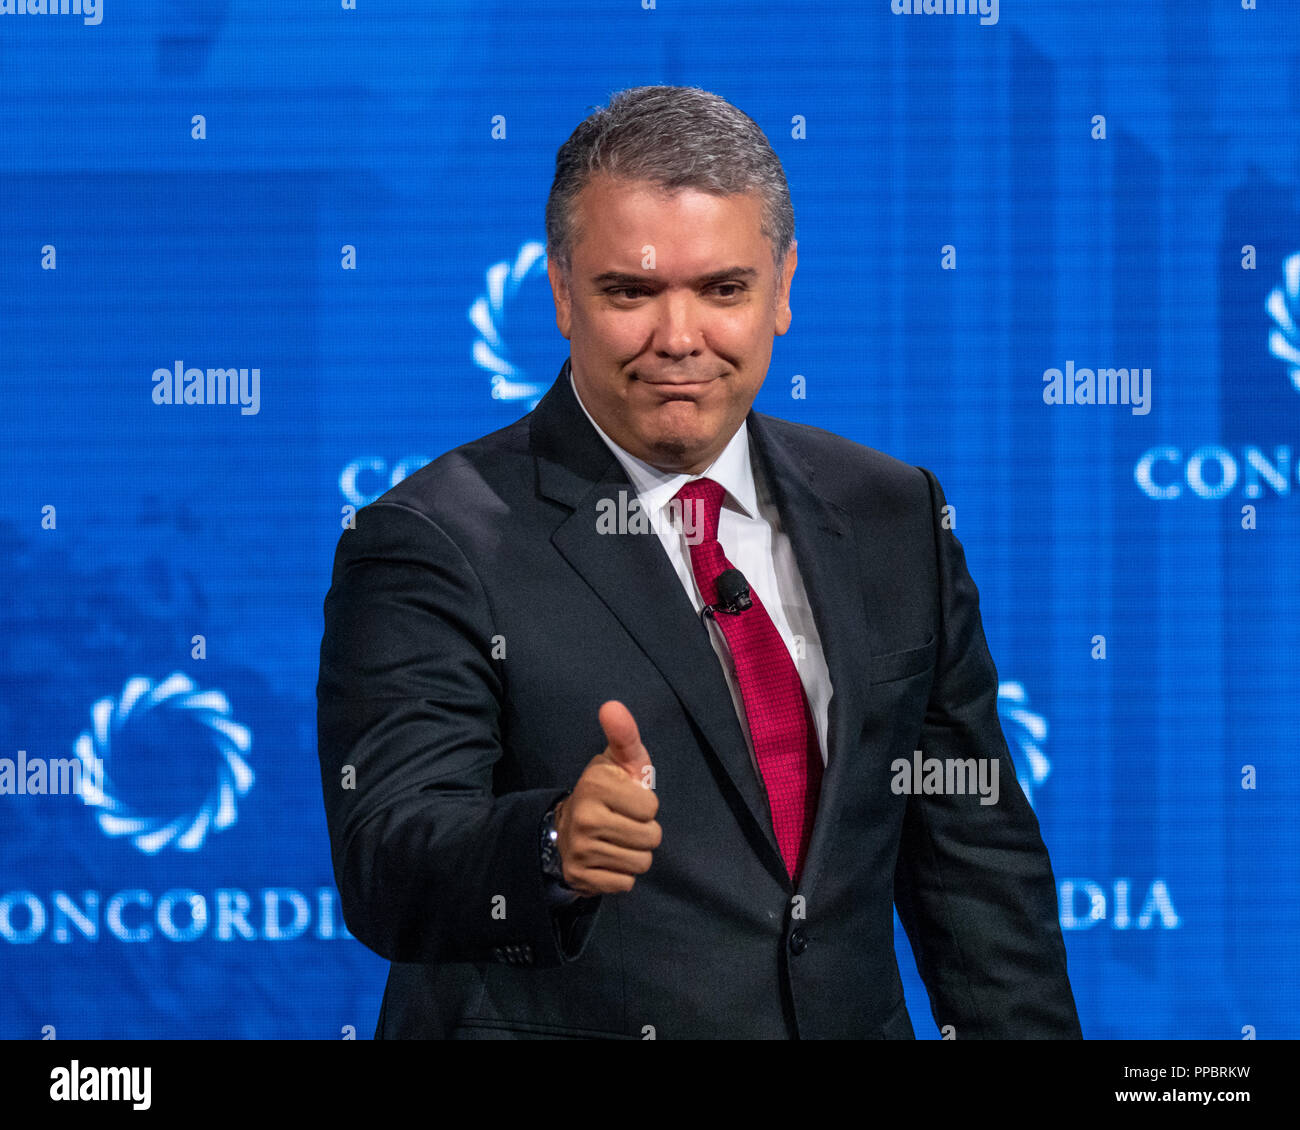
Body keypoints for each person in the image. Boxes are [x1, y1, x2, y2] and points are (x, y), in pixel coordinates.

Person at [316, 85, 1081, 1039]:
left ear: (784, 286)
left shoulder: (894, 514)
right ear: (559, 290)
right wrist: (550, 844)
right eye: (629, 292)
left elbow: (977, 873)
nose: (679, 340)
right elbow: (388, 860)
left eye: (723, 289)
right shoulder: (435, 539)